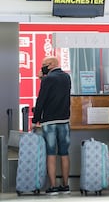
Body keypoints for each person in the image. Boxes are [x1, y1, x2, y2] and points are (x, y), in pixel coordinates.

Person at [32, 56, 71, 195]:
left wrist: (35, 118)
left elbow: (42, 99)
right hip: (64, 120)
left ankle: (53, 186)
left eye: (44, 65)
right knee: (64, 153)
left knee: (51, 153)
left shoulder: (48, 79)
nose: (43, 67)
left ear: (52, 64)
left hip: (49, 121)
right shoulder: (67, 77)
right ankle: (66, 185)